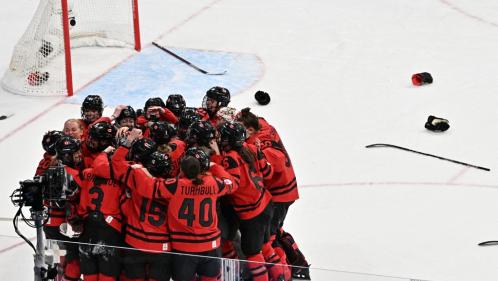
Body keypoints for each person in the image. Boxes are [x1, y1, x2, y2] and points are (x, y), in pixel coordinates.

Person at [236, 108, 309, 279]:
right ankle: (298, 266)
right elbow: (259, 120)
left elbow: (271, 167)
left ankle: (289, 273)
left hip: (279, 195)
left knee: (270, 238)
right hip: (283, 191)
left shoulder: (259, 144)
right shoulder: (262, 125)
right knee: (276, 232)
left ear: (250, 130)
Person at [213, 121, 290, 281]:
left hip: (252, 214)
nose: (222, 140)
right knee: (265, 246)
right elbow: (268, 173)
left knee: (253, 254)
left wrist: (216, 159)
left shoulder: (229, 159)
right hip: (266, 205)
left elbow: (231, 185)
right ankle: (283, 277)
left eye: (224, 137)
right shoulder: (252, 148)